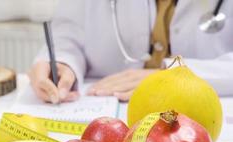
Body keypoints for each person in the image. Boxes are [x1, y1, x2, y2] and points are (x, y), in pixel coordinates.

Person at [28, 0, 233, 103]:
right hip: (102, 107)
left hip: (207, 113)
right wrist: (63, 62)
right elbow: (68, 31)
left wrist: (175, 76)